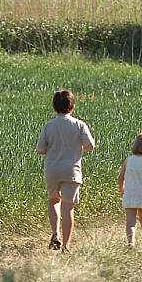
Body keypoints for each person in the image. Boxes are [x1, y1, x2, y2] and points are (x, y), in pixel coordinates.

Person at [35, 89, 95, 252]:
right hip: (72, 170)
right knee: (68, 207)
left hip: (52, 168)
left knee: (54, 200)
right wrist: (77, 148)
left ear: (54, 107)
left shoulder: (49, 126)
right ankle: (67, 245)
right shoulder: (79, 125)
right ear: (72, 107)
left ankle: (56, 234)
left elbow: (40, 149)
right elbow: (90, 145)